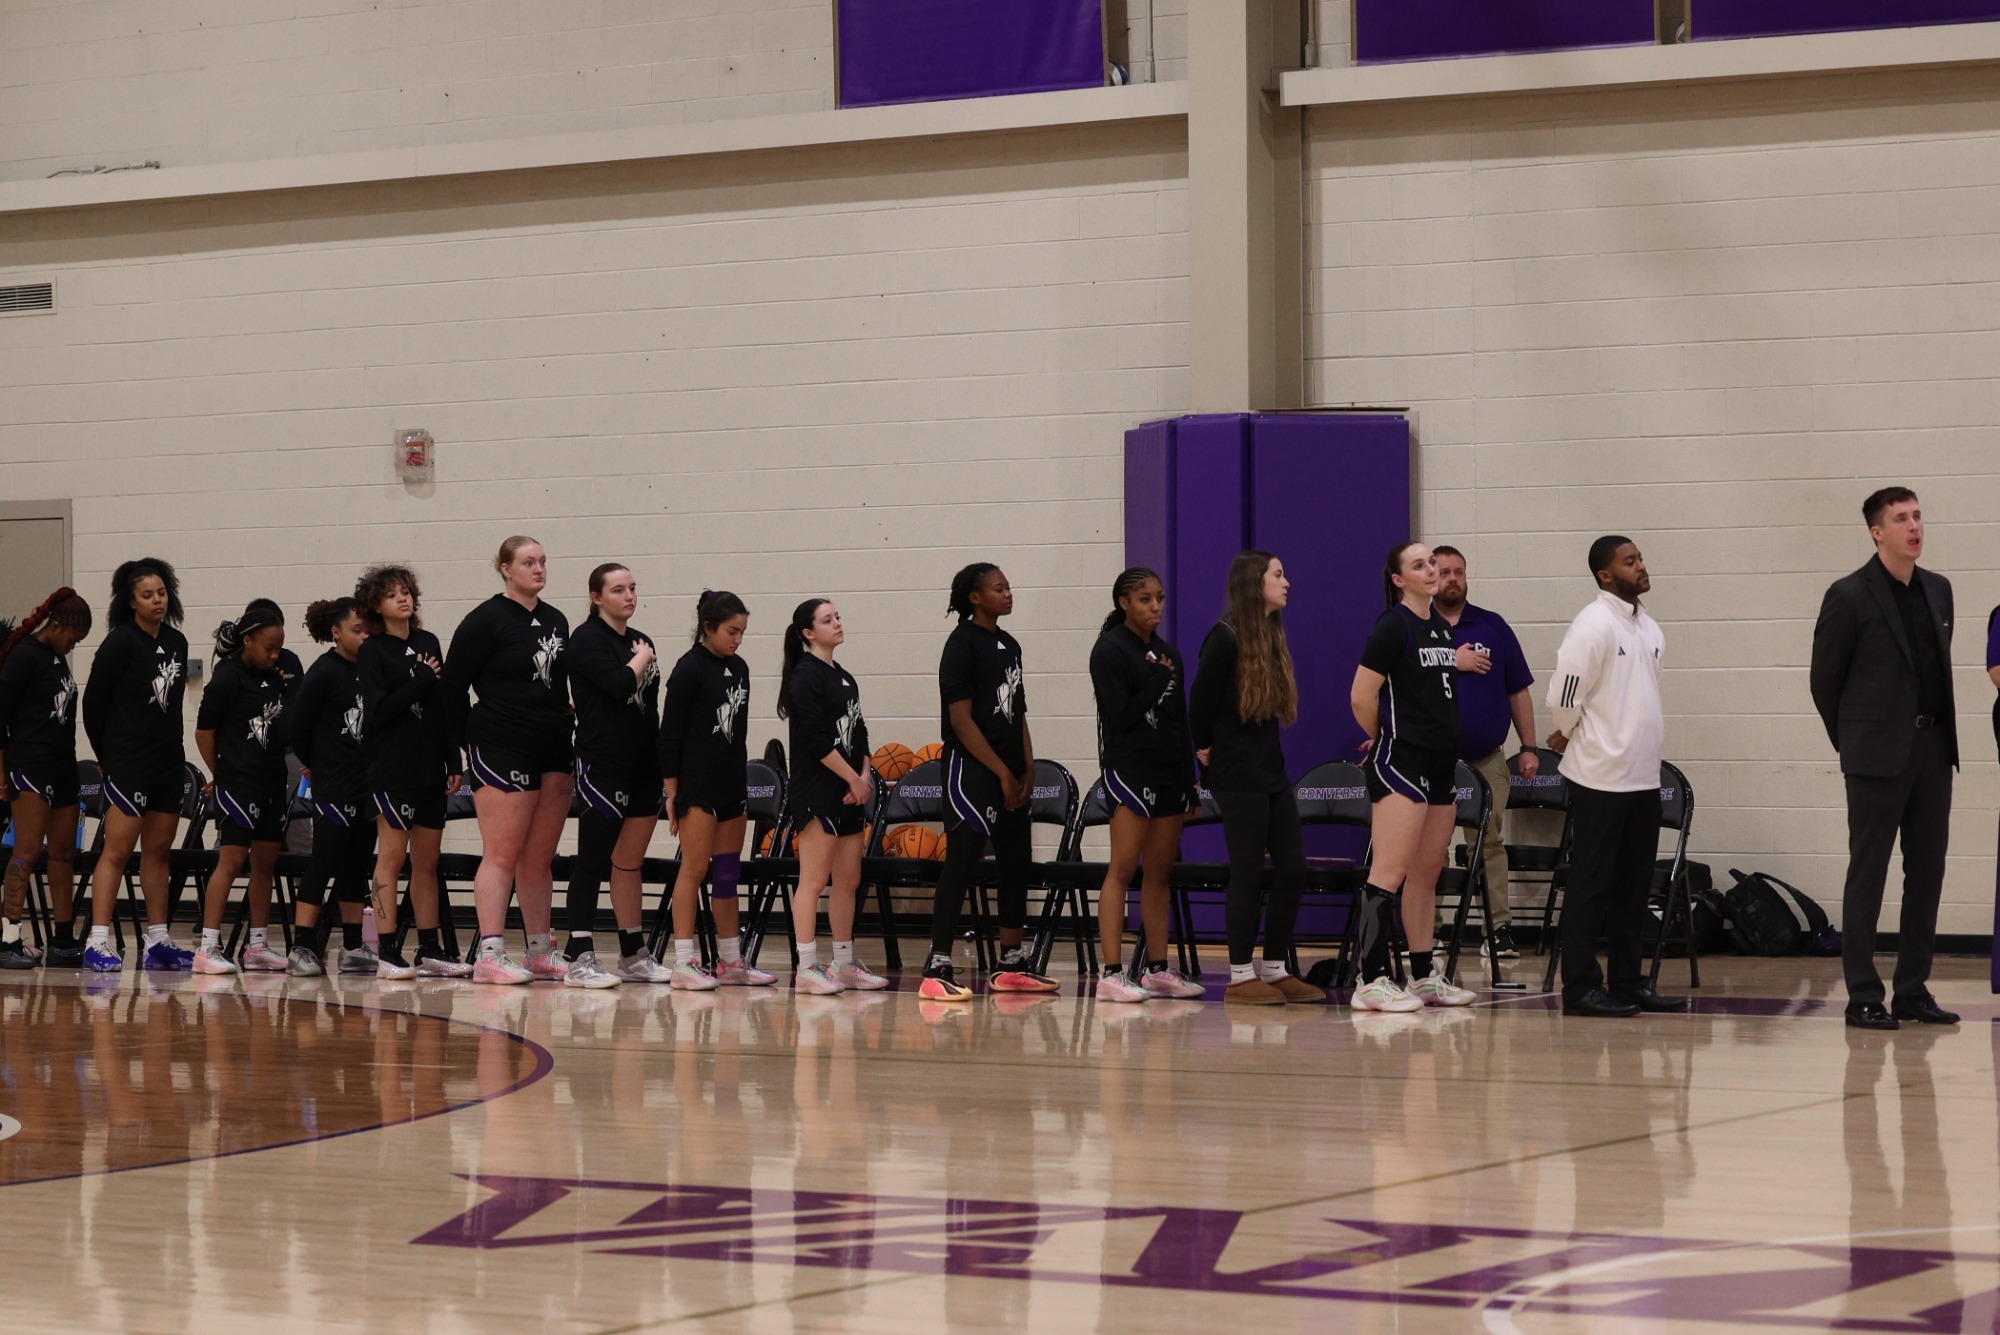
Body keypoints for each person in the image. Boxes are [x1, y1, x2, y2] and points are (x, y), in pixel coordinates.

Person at [1811, 488, 1960, 1030]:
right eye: (1901, 519)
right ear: (1877, 531)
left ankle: (1913, 990)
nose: (1915, 526)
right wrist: (1854, 741)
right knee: (1868, 873)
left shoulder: (1939, 590)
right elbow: (1824, 681)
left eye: (1918, 515)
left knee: (1927, 873)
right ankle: (1863, 995)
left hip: (1933, 749)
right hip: (1874, 754)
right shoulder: (1849, 595)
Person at [1547, 535, 1685, 1018]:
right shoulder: (1593, 624)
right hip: (1599, 778)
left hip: (1642, 777)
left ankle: (1628, 982)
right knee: (1591, 885)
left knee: (1633, 887)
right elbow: (1564, 697)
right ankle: (1581, 988)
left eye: (1641, 557)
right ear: (1606, 575)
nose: (1641, 566)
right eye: (1630, 561)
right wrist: (1573, 732)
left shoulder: (1649, 627)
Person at [919, 563, 1059, 1002]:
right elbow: (960, 720)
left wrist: (1027, 768)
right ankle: (937, 963)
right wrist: (1000, 771)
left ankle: (1011, 963)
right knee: (961, 862)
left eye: (1008, 586)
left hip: (1011, 772)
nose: (1008, 593)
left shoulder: (1010, 645)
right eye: (999, 588)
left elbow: (1018, 714)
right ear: (975, 597)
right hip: (972, 772)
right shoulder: (961, 644)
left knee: (1016, 864)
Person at [1349, 543, 1478, 1012]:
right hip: (1402, 760)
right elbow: (1362, 696)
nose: (1433, 571)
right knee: (1389, 872)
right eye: (1421, 565)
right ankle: (1371, 979)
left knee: (1426, 875)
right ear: (1398, 579)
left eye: (1434, 564)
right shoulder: (1392, 626)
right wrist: (1386, 736)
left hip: (1441, 763)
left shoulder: (1442, 631)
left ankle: (1423, 975)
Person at [1187, 551, 1319, 1005]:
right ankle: (1241, 976)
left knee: (1293, 867)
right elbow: (1199, 707)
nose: (1287, 582)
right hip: (1237, 773)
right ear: (1254, 582)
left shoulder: (1270, 633)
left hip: (1270, 770)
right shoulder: (1223, 639)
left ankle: (1277, 967)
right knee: (1247, 871)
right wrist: (1205, 753)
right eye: (1278, 575)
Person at [444, 536, 576, 986]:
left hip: (553, 745)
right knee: (502, 853)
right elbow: (452, 688)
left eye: (542, 561)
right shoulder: (484, 621)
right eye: (527, 562)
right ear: (504, 568)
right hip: (501, 744)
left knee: (539, 858)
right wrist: (470, 743)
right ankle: (490, 954)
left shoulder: (556, 619)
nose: (538, 569)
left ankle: (540, 951)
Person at [1087, 567, 1204, 1003]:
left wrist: (1190, 777)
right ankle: (1112, 973)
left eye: (1159, 599)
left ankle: (1157, 969)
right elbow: (1121, 716)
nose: (1155, 607)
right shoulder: (1109, 651)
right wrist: (1158, 680)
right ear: (1123, 603)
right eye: (1144, 600)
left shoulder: (1169, 652)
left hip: (1167, 771)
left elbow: (1179, 722)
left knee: (1159, 873)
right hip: (1130, 771)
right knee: (1122, 868)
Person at [657, 589, 776, 990]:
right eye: (731, 631)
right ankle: (684, 962)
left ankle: (731, 961)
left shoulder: (739, 668)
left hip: (731, 782)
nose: (737, 639)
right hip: (697, 783)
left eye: (742, 632)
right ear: (708, 628)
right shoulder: (689, 669)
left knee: (727, 873)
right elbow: (669, 735)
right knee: (694, 869)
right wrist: (672, 793)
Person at [81, 558, 194, 972]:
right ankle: (98, 940)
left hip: (167, 761)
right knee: (117, 850)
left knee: (159, 850)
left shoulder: (177, 642)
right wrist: (108, 759)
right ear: (130, 601)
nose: (157, 600)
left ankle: (158, 939)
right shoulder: (119, 643)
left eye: (162, 592)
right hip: (128, 761)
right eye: (147, 595)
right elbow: (93, 705)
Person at [357, 564, 469, 978]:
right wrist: (420, 680)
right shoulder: (373, 650)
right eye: (392, 594)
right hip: (391, 768)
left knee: (427, 861)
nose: (402, 598)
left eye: (406, 591)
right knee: (391, 856)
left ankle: (429, 948)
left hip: (429, 767)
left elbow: (439, 708)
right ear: (376, 605)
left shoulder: (427, 642)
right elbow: (379, 712)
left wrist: (452, 759)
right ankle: (387, 950)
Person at [1431, 545, 1539, 960]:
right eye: (1444, 572)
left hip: (1486, 758)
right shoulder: (1415, 626)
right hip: (1431, 761)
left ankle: (1499, 931)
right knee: (1431, 846)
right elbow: (1392, 685)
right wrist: (1450, 662)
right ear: (1429, 577)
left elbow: (1518, 689)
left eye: (1459, 571)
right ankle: (1431, 931)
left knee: (1488, 843)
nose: (1452, 578)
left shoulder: (1492, 627)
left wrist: (1528, 746)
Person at [562, 563, 667, 987]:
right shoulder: (586, 640)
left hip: (643, 764)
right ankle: (579, 954)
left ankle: (632, 952)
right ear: (596, 597)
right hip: (603, 762)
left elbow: (649, 706)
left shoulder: (640, 638)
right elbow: (619, 685)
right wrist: (641, 657)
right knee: (594, 858)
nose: (629, 596)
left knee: (629, 863)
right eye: (618, 589)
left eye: (632, 588)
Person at [778, 598, 890, 995]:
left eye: (838, 616)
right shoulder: (805, 677)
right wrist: (852, 779)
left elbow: (858, 734)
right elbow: (815, 740)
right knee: (813, 880)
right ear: (809, 633)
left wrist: (863, 775)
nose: (838, 623)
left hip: (849, 790)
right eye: (828, 620)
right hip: (817, 792)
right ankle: (807, 967)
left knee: (849, 879)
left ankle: (843, 964)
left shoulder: (844, 677)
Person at [192, 602, 293, 974]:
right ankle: (207, 947)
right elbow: (204, 732)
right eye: (268, 647)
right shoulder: (227, 677)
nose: (274, 654)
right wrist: (221, 773)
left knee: (265, 865)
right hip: (238, 783)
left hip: (271, 781)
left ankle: (257, 946)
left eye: (278, 647)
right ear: (247, 640)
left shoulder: (275, 678)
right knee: (231, 861)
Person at [0, 588, 92, 968]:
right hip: (30, 765)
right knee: (26, 849)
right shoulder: (24, 657)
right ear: (56, 626)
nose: (73, 646)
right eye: (73, 638)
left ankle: (63, 939)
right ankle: (8, 939)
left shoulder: (56, 659)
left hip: (62, 765)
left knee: (63, 853)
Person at [284, 597, 374, 978]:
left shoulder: (374, 669)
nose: (365, 635)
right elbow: (296, 727)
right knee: (324, 861)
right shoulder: (324, 672)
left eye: (369, 628)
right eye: (357, 630)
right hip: (333, 784)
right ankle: (302, 946)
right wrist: (314, 764)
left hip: (366, 784)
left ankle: (353, 946)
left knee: (356, 866)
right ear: (336, 633)